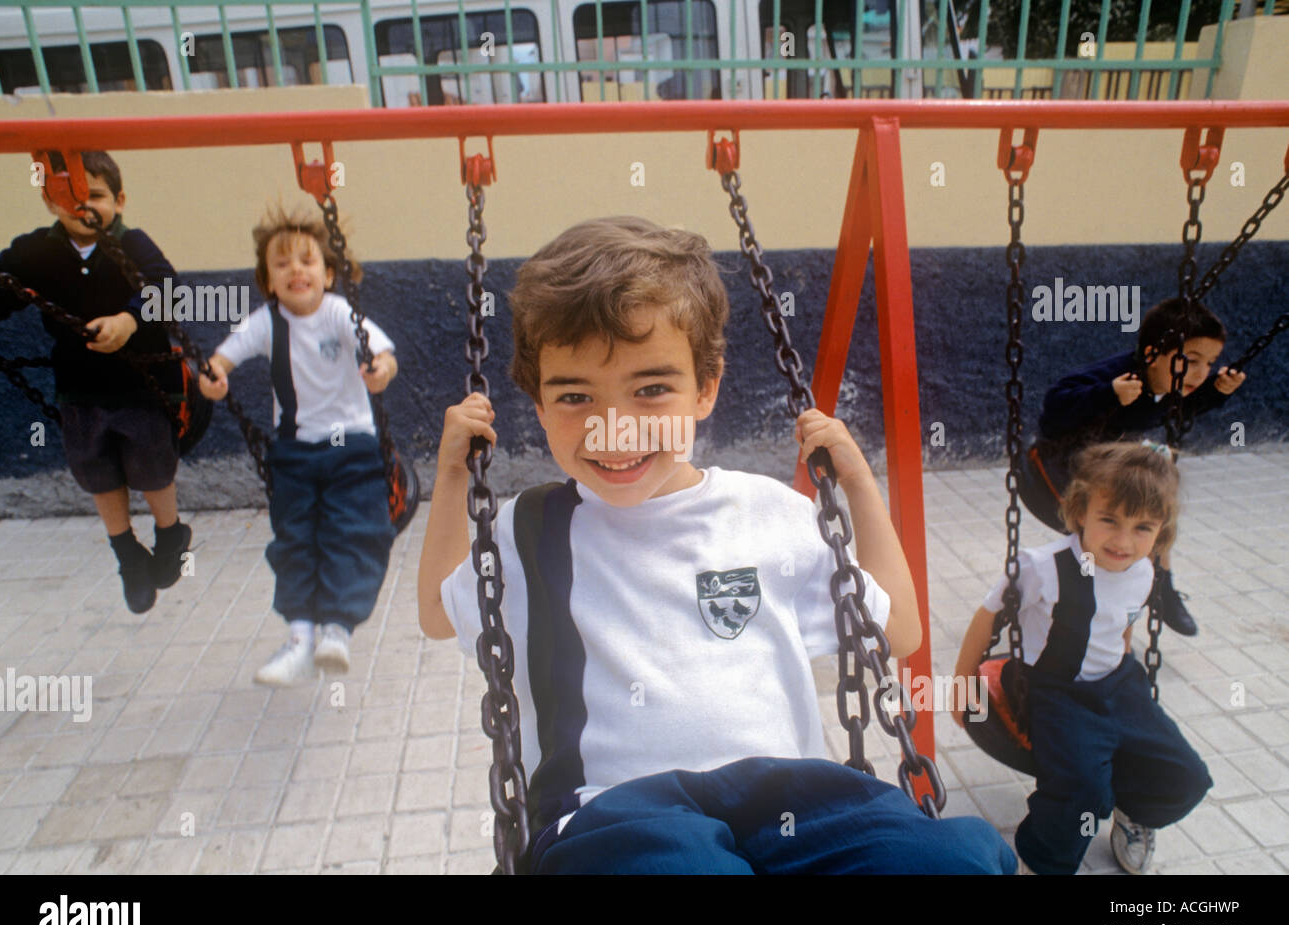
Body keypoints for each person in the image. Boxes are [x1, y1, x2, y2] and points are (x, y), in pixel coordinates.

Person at [417, 216, 1015, 874]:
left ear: (706, 387)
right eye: (576, 395)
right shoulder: (528, 528)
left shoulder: (770, 513)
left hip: (796, 798)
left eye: (651, 389)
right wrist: (452, 477)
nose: (614, 427)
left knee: (947, 859)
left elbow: (898, 630)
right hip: (619, 810)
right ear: (536, 404)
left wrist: (859, 486)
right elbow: (440, 613)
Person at [955, 441, 1212, 875]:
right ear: (1080, 513)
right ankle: (1043, 860)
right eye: (1109, 520)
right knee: (1082, 793)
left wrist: (1124, 669)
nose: (1123, 541)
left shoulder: (1145, 570)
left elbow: (1125, 621)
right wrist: (961, 690)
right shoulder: (1041, 567)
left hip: (1119, 682)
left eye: (1143, 527)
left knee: (1186, 777)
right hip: (1055, 691)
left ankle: (1133, 811)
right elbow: (987, 618)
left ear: (1161, 531)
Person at [199, 206, 398, 687]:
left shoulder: (339, 312)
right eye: (282, 264)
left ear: (328, 274)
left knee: (351, 533)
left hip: (351, 447)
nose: (295, 271)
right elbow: (224, 357)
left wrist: (379, 373)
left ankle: (337, 628)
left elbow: (384, 354)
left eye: (307, 260)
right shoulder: (266, 322)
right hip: (294, 452)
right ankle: (299, 639)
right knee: (294, 540)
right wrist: (213, 378)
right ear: (268, 280)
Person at [0, 150, 191, 614]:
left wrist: (130, 319)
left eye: (95, 195)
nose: (83, 206)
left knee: (153, 468)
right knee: (96, 472)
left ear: (118, 201)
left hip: (142, 387)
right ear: (49, 201)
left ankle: (169, 531)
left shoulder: (132, 243)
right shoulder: (36, 250)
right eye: (67, 196)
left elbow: (169, 286)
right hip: (80, 391)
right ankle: (126, 554)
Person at [1019, 298, 1247, 636]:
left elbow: (1179, 410)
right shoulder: (1123, 375)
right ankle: (1070, 605)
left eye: (1210, 363)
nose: (1200, 373)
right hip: (1050, 467)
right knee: (1099, 538)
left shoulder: (1171, 380)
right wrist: (1108, 394)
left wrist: (1217, 392)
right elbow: (1054, 404)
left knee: (1151, 510)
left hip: (1101, 462)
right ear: (1153, 354)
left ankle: (1161, 588)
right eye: (1191, 360)